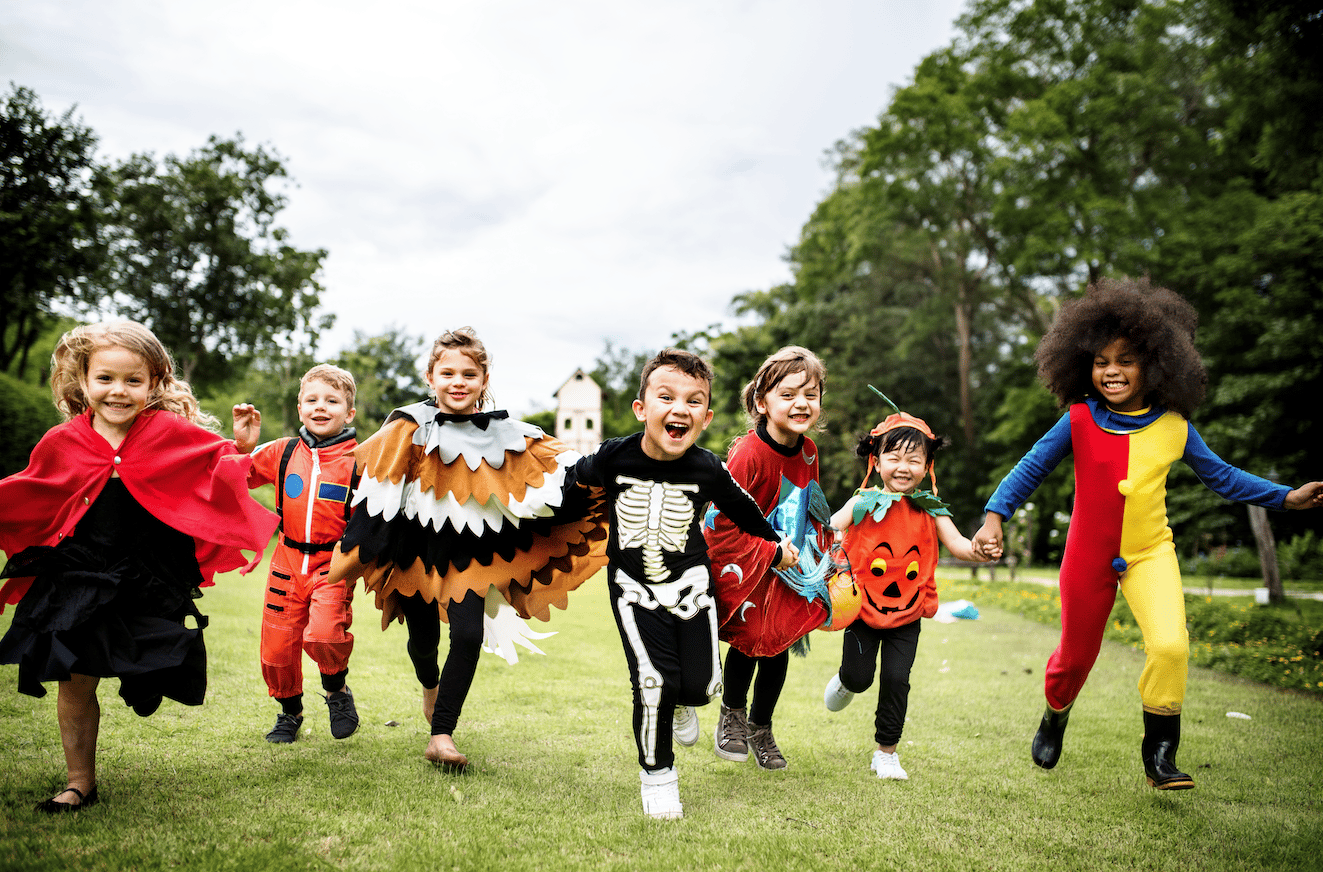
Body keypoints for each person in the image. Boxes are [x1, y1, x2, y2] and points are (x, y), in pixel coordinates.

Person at [970, 278, 1323, 790]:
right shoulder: (1078, 419)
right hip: (1087, 556)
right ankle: (1055, 714)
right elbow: (1030, 467)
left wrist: (1286, 497)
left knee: (1171, 645)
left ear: (1155, 365)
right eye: (1101, 362)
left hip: (1150, 553)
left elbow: (1223, 477)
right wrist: (994, 516)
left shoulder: (1176, 426)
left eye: (1126, 360)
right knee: (1074, 659)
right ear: (1084, 366)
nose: (1111, 371)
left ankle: (1160, 752)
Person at [0, 321, 278, 813]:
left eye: (133, 380)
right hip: (79, 572)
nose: (118, 391)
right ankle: (79, 782)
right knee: (74, 677)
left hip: (149, 574)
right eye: (105, 378)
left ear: (154, 384)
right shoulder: (63, 440)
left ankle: (142, 681)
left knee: (151, 672)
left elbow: (219, 473)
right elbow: (33, 488)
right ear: (83, 379)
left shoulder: (169, 432)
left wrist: (239, 448)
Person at [328, 327, 607, 772]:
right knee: (424, 642)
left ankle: (441, 735)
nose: (458, 382)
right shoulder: (406, 428)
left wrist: (619, 461)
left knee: (468, 636)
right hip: (415, 551)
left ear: (484, 379)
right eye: (448, 373)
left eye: (469, 374)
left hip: (472, 554)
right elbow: (363, 475)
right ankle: (430, 687)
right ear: (431, 377)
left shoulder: (510, 434)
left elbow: (565, 465)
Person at [566, 348, 799, 820]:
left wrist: (776, 545)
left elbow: (743, 509)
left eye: (694, 401)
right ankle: (658, 776)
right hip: (632, 588)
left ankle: (680, 702)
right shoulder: (614, 455)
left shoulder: (706, 467)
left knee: (701, 685)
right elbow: (571, 486)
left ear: (706, 418)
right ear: (641, 408)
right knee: (653, 681)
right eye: (666, 397)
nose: (680, 409)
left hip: (692, 585)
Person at [824, 393, 990, 781]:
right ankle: (847, 680)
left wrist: (980, 549)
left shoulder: (931, 509)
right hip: (862, 609)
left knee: (897, 680)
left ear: (927, 466)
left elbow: (959, 545)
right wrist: (827, 544)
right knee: (860, 677)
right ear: (876, 461)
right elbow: (831, 526)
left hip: (908, 612)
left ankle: (886, 753)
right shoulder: (863, 501)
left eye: (914, 459)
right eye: (894, 457)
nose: (903, 467)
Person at [703, 346, 833, 771]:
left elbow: (807, 505)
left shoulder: (809, 452)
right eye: (788, 394)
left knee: (778, 646)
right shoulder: (748, 454)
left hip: (789, 569)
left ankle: (761, 727)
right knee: (749, 642)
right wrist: (769, 552)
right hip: (750, 565)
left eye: (811, 394)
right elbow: (721, 522)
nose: (801, 403)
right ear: (762, 402)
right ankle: (733, 715)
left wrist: (820, 554)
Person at [233, 364, 361, 744]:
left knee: (324, 635)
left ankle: (337, 691)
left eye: (332, 401)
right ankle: (290, 714)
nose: (321, 407)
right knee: (277, 649)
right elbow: (237, 476)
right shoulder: (282, 451)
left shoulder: (360, 460)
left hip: (332, 564)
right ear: (300, 408)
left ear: (349, 413)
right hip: (286, 562)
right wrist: (242, 448)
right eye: (312, 400)